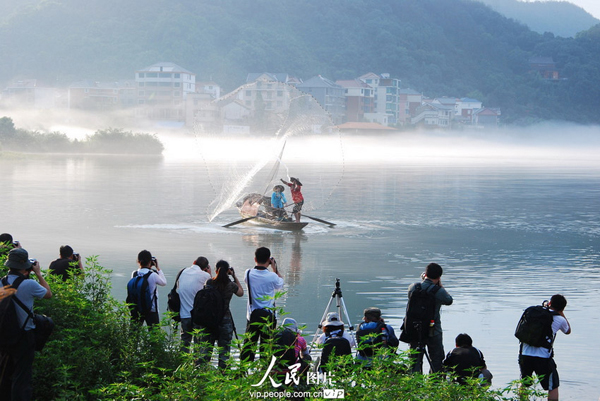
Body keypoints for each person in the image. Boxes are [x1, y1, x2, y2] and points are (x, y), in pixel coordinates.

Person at [0, 248, 52, 400]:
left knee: (4, 374)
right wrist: (38, 274)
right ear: (25, 267)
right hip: (24, 337)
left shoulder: (0, 283)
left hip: (3, 336)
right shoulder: (29, 284)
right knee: (22, 377)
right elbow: (48, 294)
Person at [519, 294, 571, 401]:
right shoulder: (560, 319)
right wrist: (561, 313)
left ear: (550, 303)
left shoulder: (533, 312)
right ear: (562, 308)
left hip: (525, 354)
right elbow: (568, 330)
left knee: (524, 382)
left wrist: (546, 306)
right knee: (553, 385)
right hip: (543, 357)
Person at [407, 262, 453, 373]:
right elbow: (449, 300)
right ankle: (434, 381)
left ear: (425, 274)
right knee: (436, 360)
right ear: (439, 277)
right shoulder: (439, 291)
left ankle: (415, 381)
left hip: (415, 329)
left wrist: (424, 281)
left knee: (415, 360)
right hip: (433, 330)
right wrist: (439, 285)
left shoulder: (413, 287)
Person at [241, 247, 284, 362]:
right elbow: (280, 284)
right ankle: (264, 369)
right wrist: (274, 268)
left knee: (249, 347)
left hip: (252, 316)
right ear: (268, 260)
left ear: (255, 259)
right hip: (268, 317)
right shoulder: (272, 276)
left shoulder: (248, 273)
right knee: (267, 349)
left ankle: (243, 370)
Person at [197, 260, 243, 369]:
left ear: (216, 270)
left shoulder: (209, 282)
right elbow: (241, 293)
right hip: (225, 322)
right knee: (224, 354)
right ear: (228, 270)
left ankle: (201, 374)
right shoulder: (231, 285)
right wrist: (234, 276)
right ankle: (223, 375)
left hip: (209, 322)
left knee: (205, 354)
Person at [177, 256, 211, 350]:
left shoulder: (183, 272)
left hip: (184, 315)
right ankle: (196, 360)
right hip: (198, 316)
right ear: (205, 268)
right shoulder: (205, 276)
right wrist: (209, 273)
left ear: (194, 262)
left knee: (184, 343)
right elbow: (211, 288)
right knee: (198, 344)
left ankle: (182, 359)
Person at [129, 250, 167, 326]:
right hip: (151, 309)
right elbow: (164, 282)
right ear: (150, 262)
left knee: (134, 331)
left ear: (138, 261)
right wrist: (158, 268)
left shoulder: (134, 274)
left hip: (137, 308)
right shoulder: (153, 275)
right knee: (154, 331)